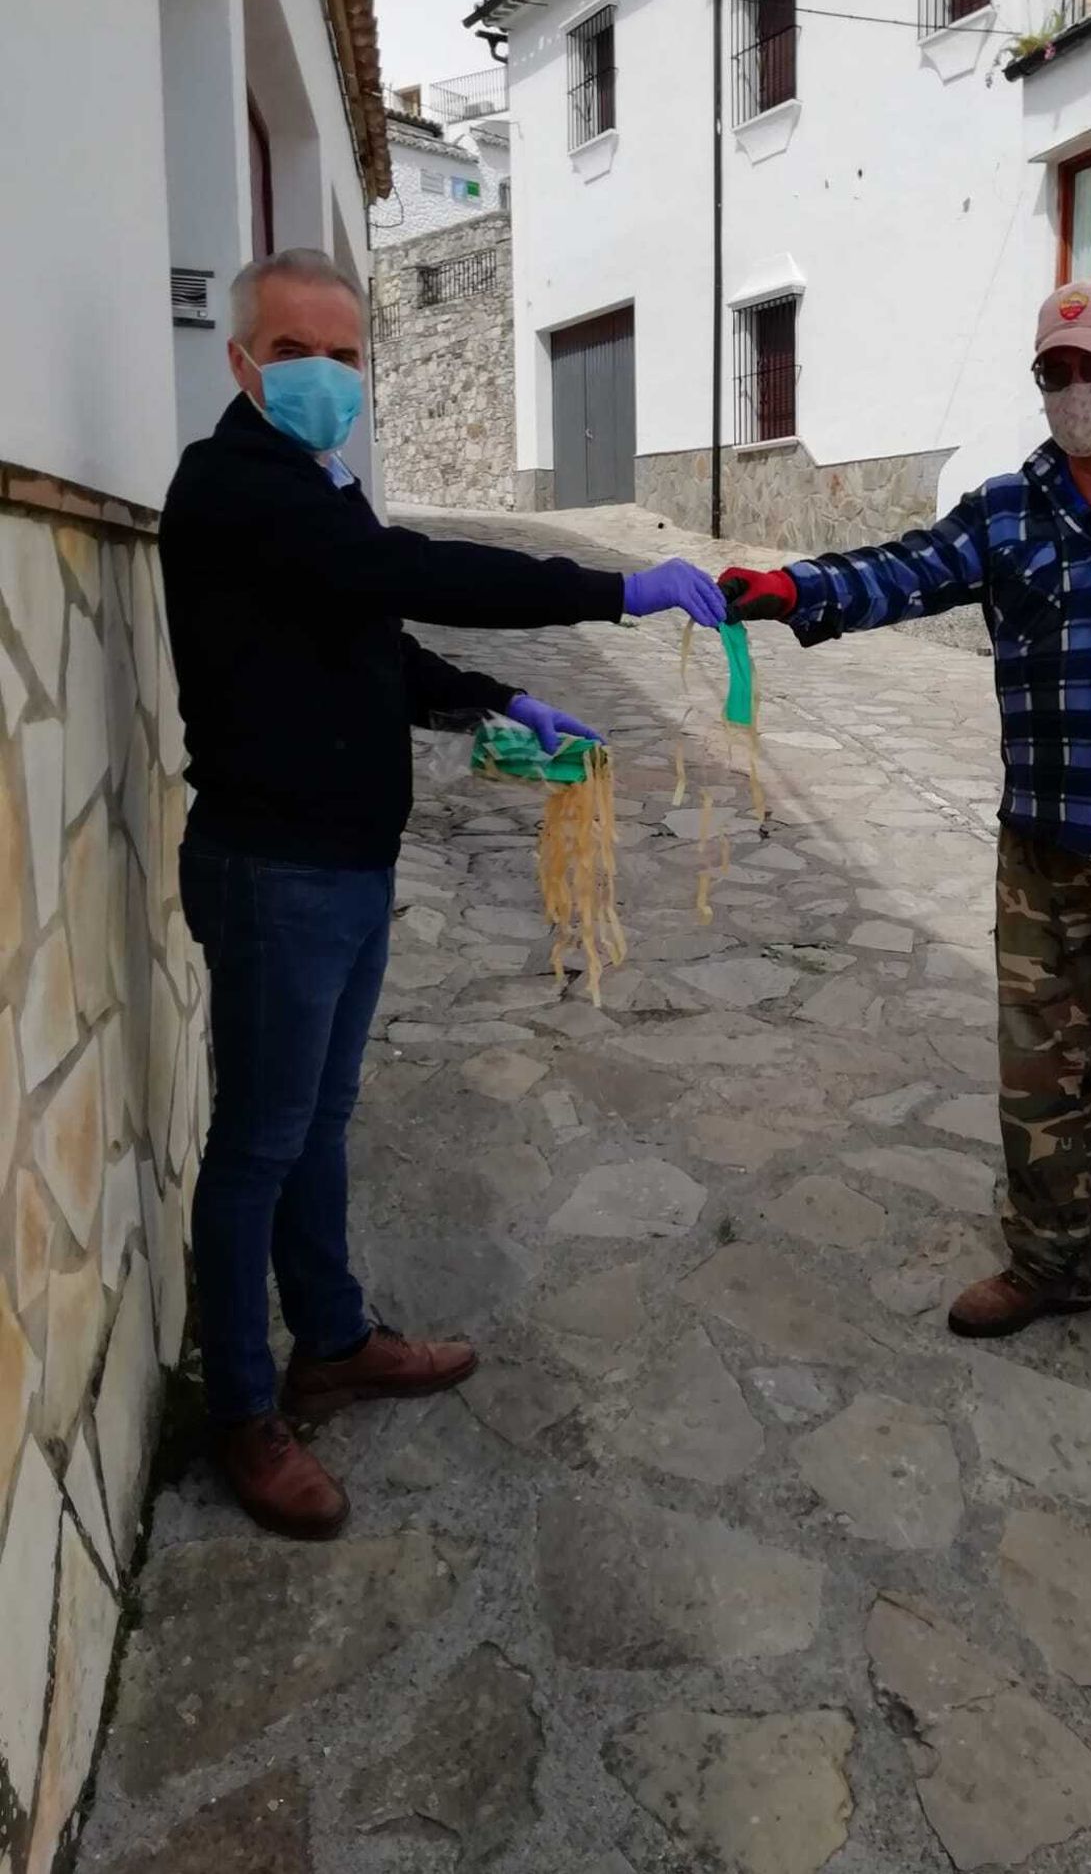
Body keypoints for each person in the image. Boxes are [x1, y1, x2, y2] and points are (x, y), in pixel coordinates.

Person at [161, 247, 725, 1537]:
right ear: (241, 360)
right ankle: (243, 1415)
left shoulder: (313, 488)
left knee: (318, 1122)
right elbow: (414, 575)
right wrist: (614, 589)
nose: (325, 376)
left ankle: (335, 1340)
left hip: (344, 865)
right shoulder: (236, 487)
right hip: (274, 871)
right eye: (297, 351)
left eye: (348, 355)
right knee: (256, 1145)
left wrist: (490, 699)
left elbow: (374, 632)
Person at [720, 277, 1091, 1383]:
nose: (1078, 388)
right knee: (1037, 1079)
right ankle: (1048, 1262)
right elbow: (904, 570)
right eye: (1056, 371)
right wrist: (795, 588)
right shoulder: (1009, 511)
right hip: (1041, 854)